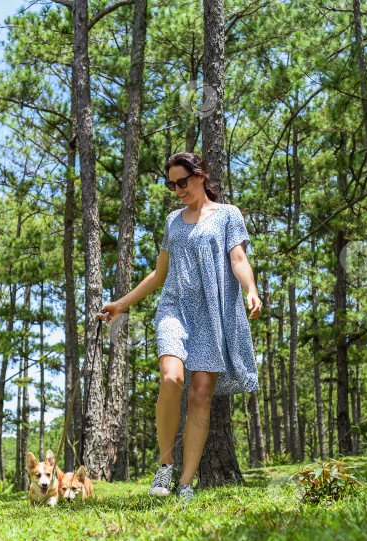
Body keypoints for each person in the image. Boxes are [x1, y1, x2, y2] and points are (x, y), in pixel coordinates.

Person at [99, 152, 262, 502]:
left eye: (182, 181)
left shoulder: (228, 215)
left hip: (213, 314)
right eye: (172, 184)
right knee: (171, 378)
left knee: (200, 395)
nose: (177, 189)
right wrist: (120, 304)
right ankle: (165, 464)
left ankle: (186, 484)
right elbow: (160, 274)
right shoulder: (173, 221)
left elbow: (239, 259)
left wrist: (251, 289)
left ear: (201, 176)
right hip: (175, 310)